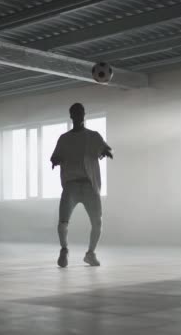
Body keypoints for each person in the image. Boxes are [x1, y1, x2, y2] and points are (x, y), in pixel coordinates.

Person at [51, 103, 113, 267]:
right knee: (63, 221)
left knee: (97, 221)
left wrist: (105, 151)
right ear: (71, 115)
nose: (78, 116)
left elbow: (104, 147)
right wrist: (55, 160)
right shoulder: (64, 139)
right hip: (70, 186)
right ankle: (64, 249)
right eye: (75, 113)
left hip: (89, 185)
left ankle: (90, 253)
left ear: (84, 114)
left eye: (80, 113)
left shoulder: (93, 136)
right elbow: (54, 156)